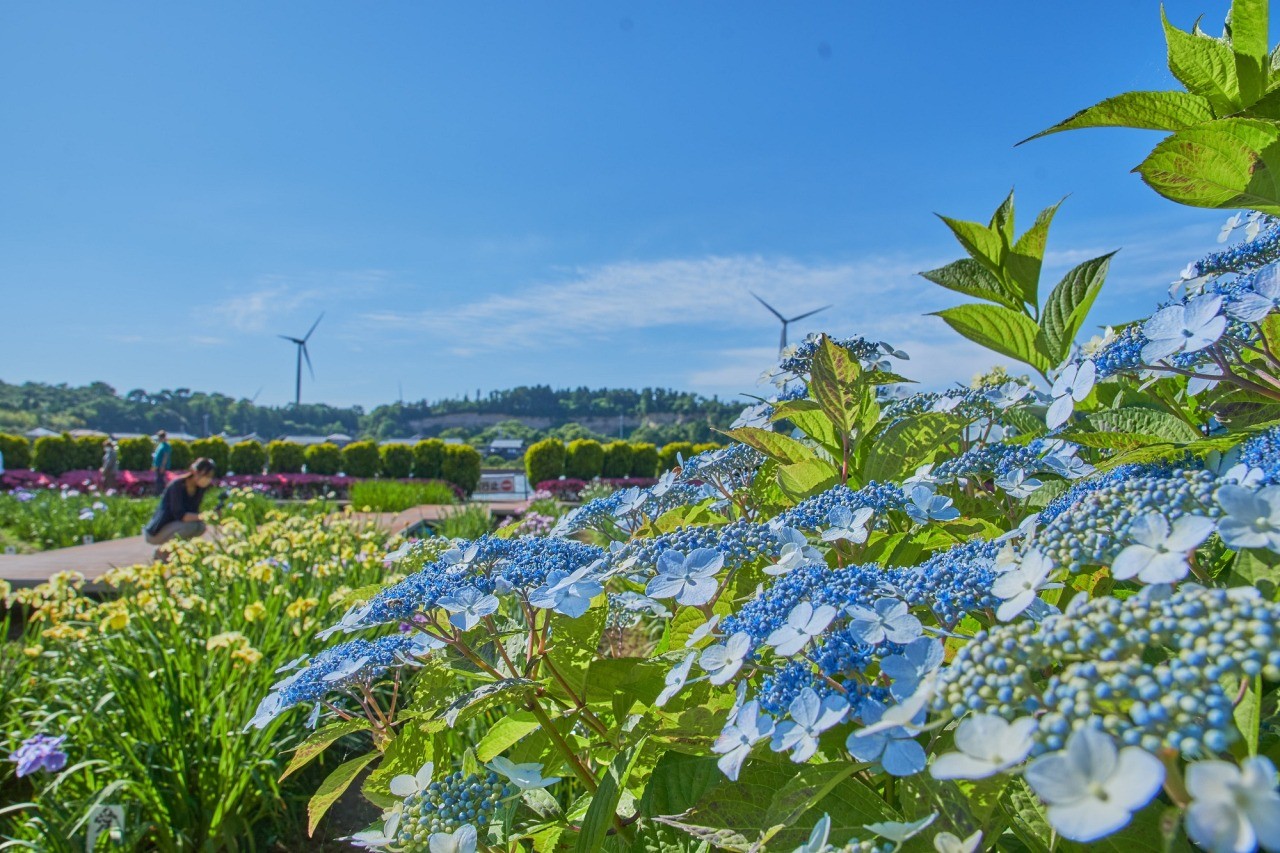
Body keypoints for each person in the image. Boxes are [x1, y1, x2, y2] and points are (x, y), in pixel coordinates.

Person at [144, 457, 215, 559]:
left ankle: (179, 552)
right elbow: (180, 515)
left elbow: (194, 513)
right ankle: (163, 552)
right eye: (206, 475)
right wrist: (205, 515)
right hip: (158, 531)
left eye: (210, 476)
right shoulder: (177, 485)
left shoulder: (199, 488)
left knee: (200, 526)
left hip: (176, 526)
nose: (207, 479)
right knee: (191, 526)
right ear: (195, 472)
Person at [152, 430, 171, 496]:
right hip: (158, 466)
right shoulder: (160, 445)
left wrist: (163, 466)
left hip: (162, 466)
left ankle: (160, 493)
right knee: (159, 479)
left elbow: (165, 456)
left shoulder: (166, 445)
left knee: (160, 480)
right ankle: (159, 493)